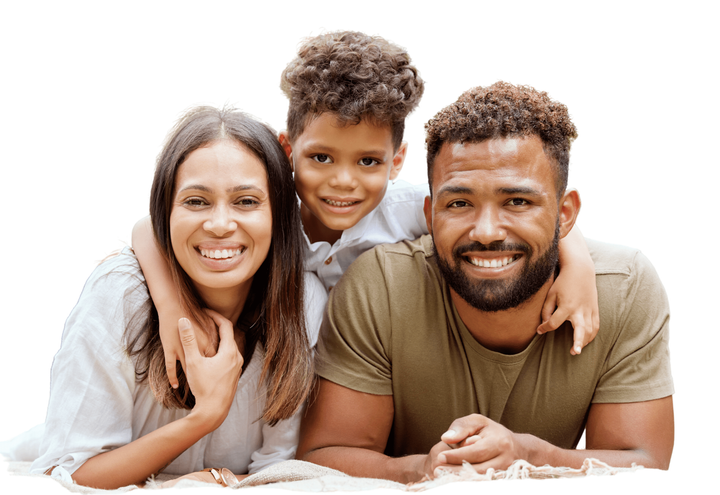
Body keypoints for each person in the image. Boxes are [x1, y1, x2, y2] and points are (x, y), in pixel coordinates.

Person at [132, 32, 601, 393]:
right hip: (290, 381)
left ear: (397, 161)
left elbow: (521, 215)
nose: (343, 181)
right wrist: (174, 306)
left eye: (369, 162)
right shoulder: (262, 215)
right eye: (321, 158)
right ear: (287, 147)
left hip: (373, 377)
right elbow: (148, 229)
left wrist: (576, 266)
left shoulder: (411, 210)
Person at [296, 82, 675, 482]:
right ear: (429, 214)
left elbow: (644, 468)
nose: (488, 231)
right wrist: (426, 468)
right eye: (459, 203)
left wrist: (528, 455)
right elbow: (324, 457)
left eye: (517, 202)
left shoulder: (624, 288)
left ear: (566, 214)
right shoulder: (380, 285)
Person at [29, 107, 327, 489]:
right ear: (164, 212)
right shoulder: (121, 295)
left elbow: (276, 471)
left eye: (247, 201)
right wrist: (204, 417)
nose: (220, 225)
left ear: (279, 216)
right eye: (196, 201)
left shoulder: (303, 303)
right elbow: (66, 476)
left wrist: (212, 480)